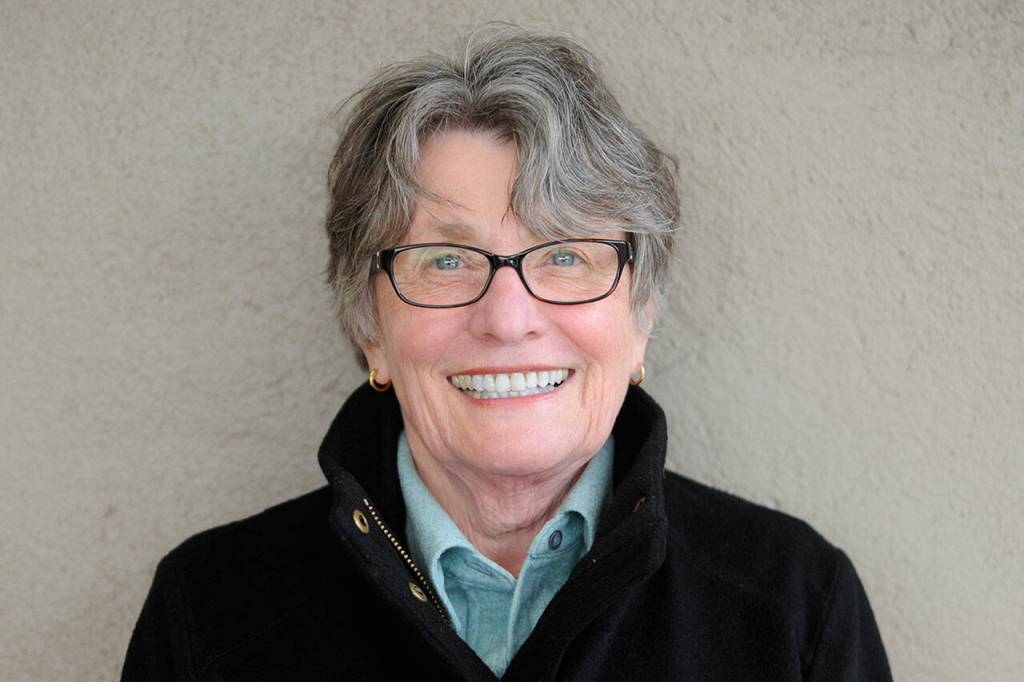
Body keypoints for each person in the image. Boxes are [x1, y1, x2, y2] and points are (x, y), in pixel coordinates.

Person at [122, 24, 891, 681]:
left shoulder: (794, 608)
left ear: (641, 317)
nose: (508, 317)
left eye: (565, 255)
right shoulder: (210, 613)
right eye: (446, 260)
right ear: (369, 329)